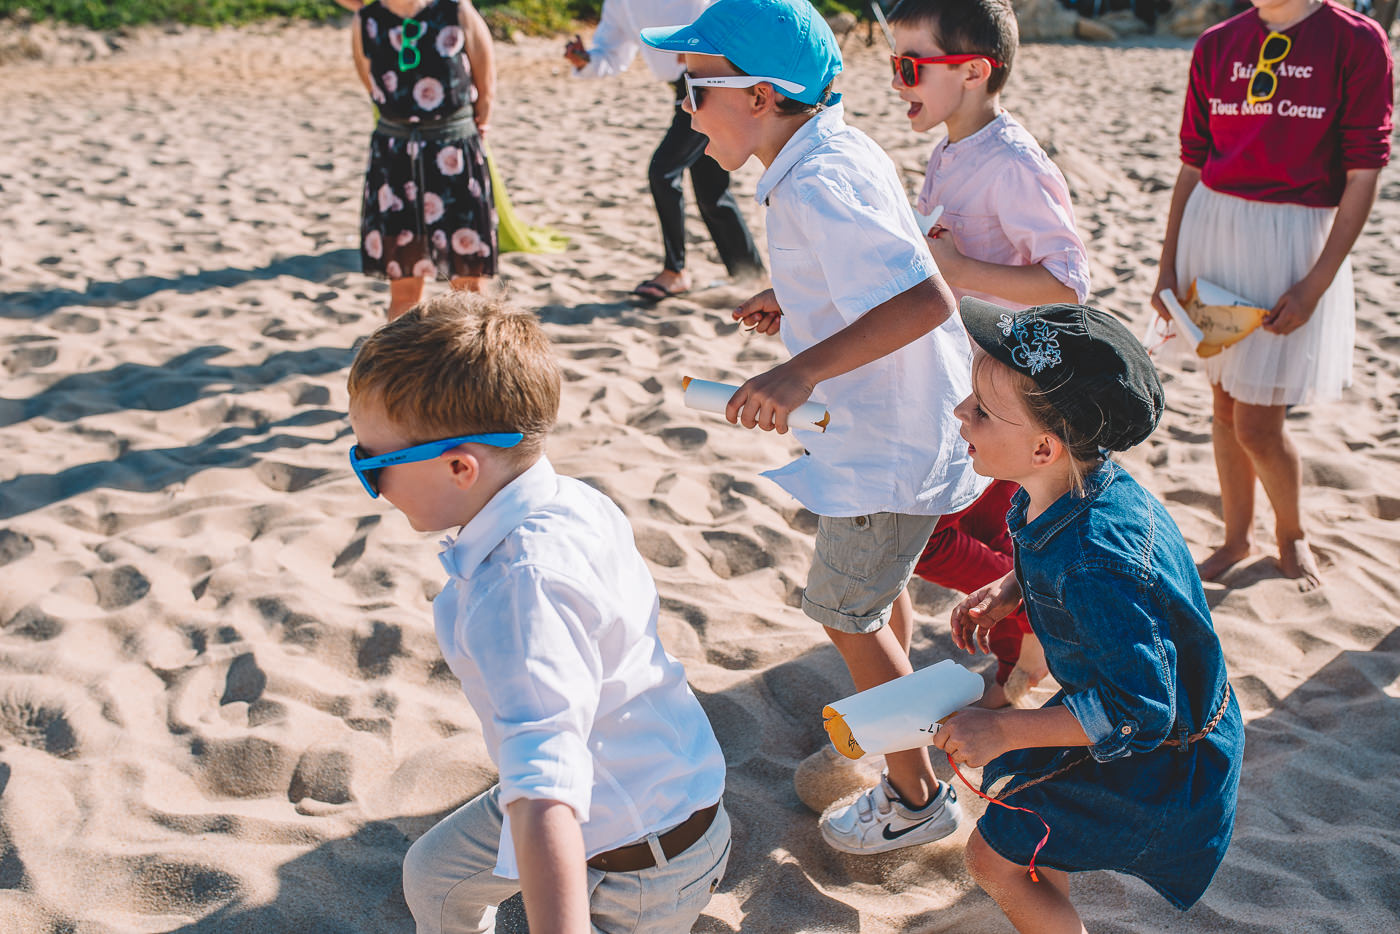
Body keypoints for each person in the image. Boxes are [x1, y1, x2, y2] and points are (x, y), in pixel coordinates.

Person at [642, 0, 986, 855]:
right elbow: (874, 274)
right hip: (888, 431)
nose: (686, 109)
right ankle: (890, 734)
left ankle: (917, 797)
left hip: (886, 442)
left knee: (845, 611)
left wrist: (798, 370)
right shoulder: (830, 150)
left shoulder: (816, 181)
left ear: (760, 96)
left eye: (696, 89)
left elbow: (923, 298)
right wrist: (796, 302)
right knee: (873, 599)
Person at [346, 293, 729, 933]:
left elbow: (545, 790)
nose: (373, 487)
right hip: (653, 784)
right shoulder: (569, 499)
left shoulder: (523, 586)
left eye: (372, 465)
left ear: (460, 467)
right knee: (435, 876)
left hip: (643, 863)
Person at [935, 299, 1243, 933]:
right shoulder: (1072, 486)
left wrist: (1006, 731)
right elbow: (1050, 552)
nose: (961, 412)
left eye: (983, 410)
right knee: (1031, 842)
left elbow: (1140, 711)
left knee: (992, 858)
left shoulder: (1097, 561)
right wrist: (1013, 587)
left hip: (1161, 759)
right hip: (1132, 719)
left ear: (1043, 447)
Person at [887, 0, 1092, 708]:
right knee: (990, 527)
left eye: (911, 65)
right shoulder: (951, 148)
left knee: (932, 536)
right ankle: (1025, 647)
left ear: (974, 71)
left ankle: (1031, 617)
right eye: (894, 63)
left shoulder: (1011, 161)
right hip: (964, 377)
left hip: (1009, 387)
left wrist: (960, 267)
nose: (896, 81)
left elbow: (1069, 283)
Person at [1150, 0, 1393, 590]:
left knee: (1259, 422)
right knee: (1224, 405)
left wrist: (1316, 283)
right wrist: (1166, 266)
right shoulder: (1216, 44)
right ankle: (1237, 537)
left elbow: (1364, 173)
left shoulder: (1356, 41)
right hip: (1213, 235)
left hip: (1293, 247)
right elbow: (1192, 164)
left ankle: (1291, 532)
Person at [564, 0, 765, 301]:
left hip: (714, 82)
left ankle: (675, 272)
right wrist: (584, 60)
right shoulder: (618, 3)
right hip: (685, 90)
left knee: (663, 171)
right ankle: (751, 275)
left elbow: (730, 12)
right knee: (711, 192)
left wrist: (707, 46)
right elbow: (612, 54)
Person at [352, 0, 499, 321]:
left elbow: (486, 89)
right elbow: (374, 89)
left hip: (455, 155)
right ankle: (403, 353)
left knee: (470, 285)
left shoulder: (456, 9)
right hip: (395, 161)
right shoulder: (367, 20)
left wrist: (463, 130)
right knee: (404, 288)